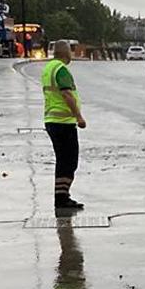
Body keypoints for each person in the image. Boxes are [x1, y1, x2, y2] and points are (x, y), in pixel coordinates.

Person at [42, 41, 86, 209]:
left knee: (63, 160)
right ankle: (61, 199)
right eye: (70, 50)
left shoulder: (49, 68)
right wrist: (79, 117)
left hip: (52, 120)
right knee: (69, 161)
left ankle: (61, 196)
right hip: (63, 122)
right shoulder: (61, 70)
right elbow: (67, 94)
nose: (72, 54)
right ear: (65, 52)